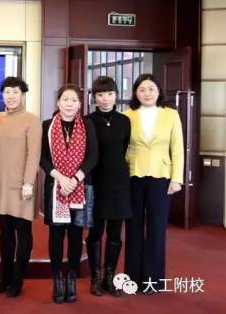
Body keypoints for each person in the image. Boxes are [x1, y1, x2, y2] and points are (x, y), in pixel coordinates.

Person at [124, 74, 184, 294]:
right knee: (133, 227)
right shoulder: (127, 115)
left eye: (151, 89)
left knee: (157, 228)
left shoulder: (171, 114)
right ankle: (133, 278)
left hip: (162, 176)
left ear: (158, 91)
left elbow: (177, 147)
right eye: (142, 89)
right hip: (133, 175)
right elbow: (123, 147)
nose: (146, 93)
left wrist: (177, 178)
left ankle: (153, 280)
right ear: (135, 93)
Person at [40, 84, 98, 304]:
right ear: (58, 102)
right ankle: (58, 279)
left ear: (79, 104)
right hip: (55, 186)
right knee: (56, 235)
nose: (69, 104)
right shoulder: (47, 125)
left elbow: (93, 156)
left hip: (80, 187)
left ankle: (71, 278)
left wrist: (74, 180)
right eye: (65, 99)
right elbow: (42, 158)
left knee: (75, 234)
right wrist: (61, 178)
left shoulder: (88, 125)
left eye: (74, 100)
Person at [0, 77, 41, 298]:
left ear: (23, 94)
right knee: (5, 233)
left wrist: (28, 182)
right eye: (7, 92)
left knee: (23, 232)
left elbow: (34, 154)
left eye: (15, 92)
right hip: (0, 182)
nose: (10, 96)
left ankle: (18, 280)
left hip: (22, 185)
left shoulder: (32, 120)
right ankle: (5, 277)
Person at [85, 76, 131, 297]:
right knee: (95, 231)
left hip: (119, 182)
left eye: (110, 94)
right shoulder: (87, 121)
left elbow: (123, 148)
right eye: (100, 94)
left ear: (116, 95)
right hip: (96, 182)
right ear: (94, 97)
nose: (105, 99)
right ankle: (95, 276)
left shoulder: (124, 121)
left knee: (115, 232)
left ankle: (109, 277)